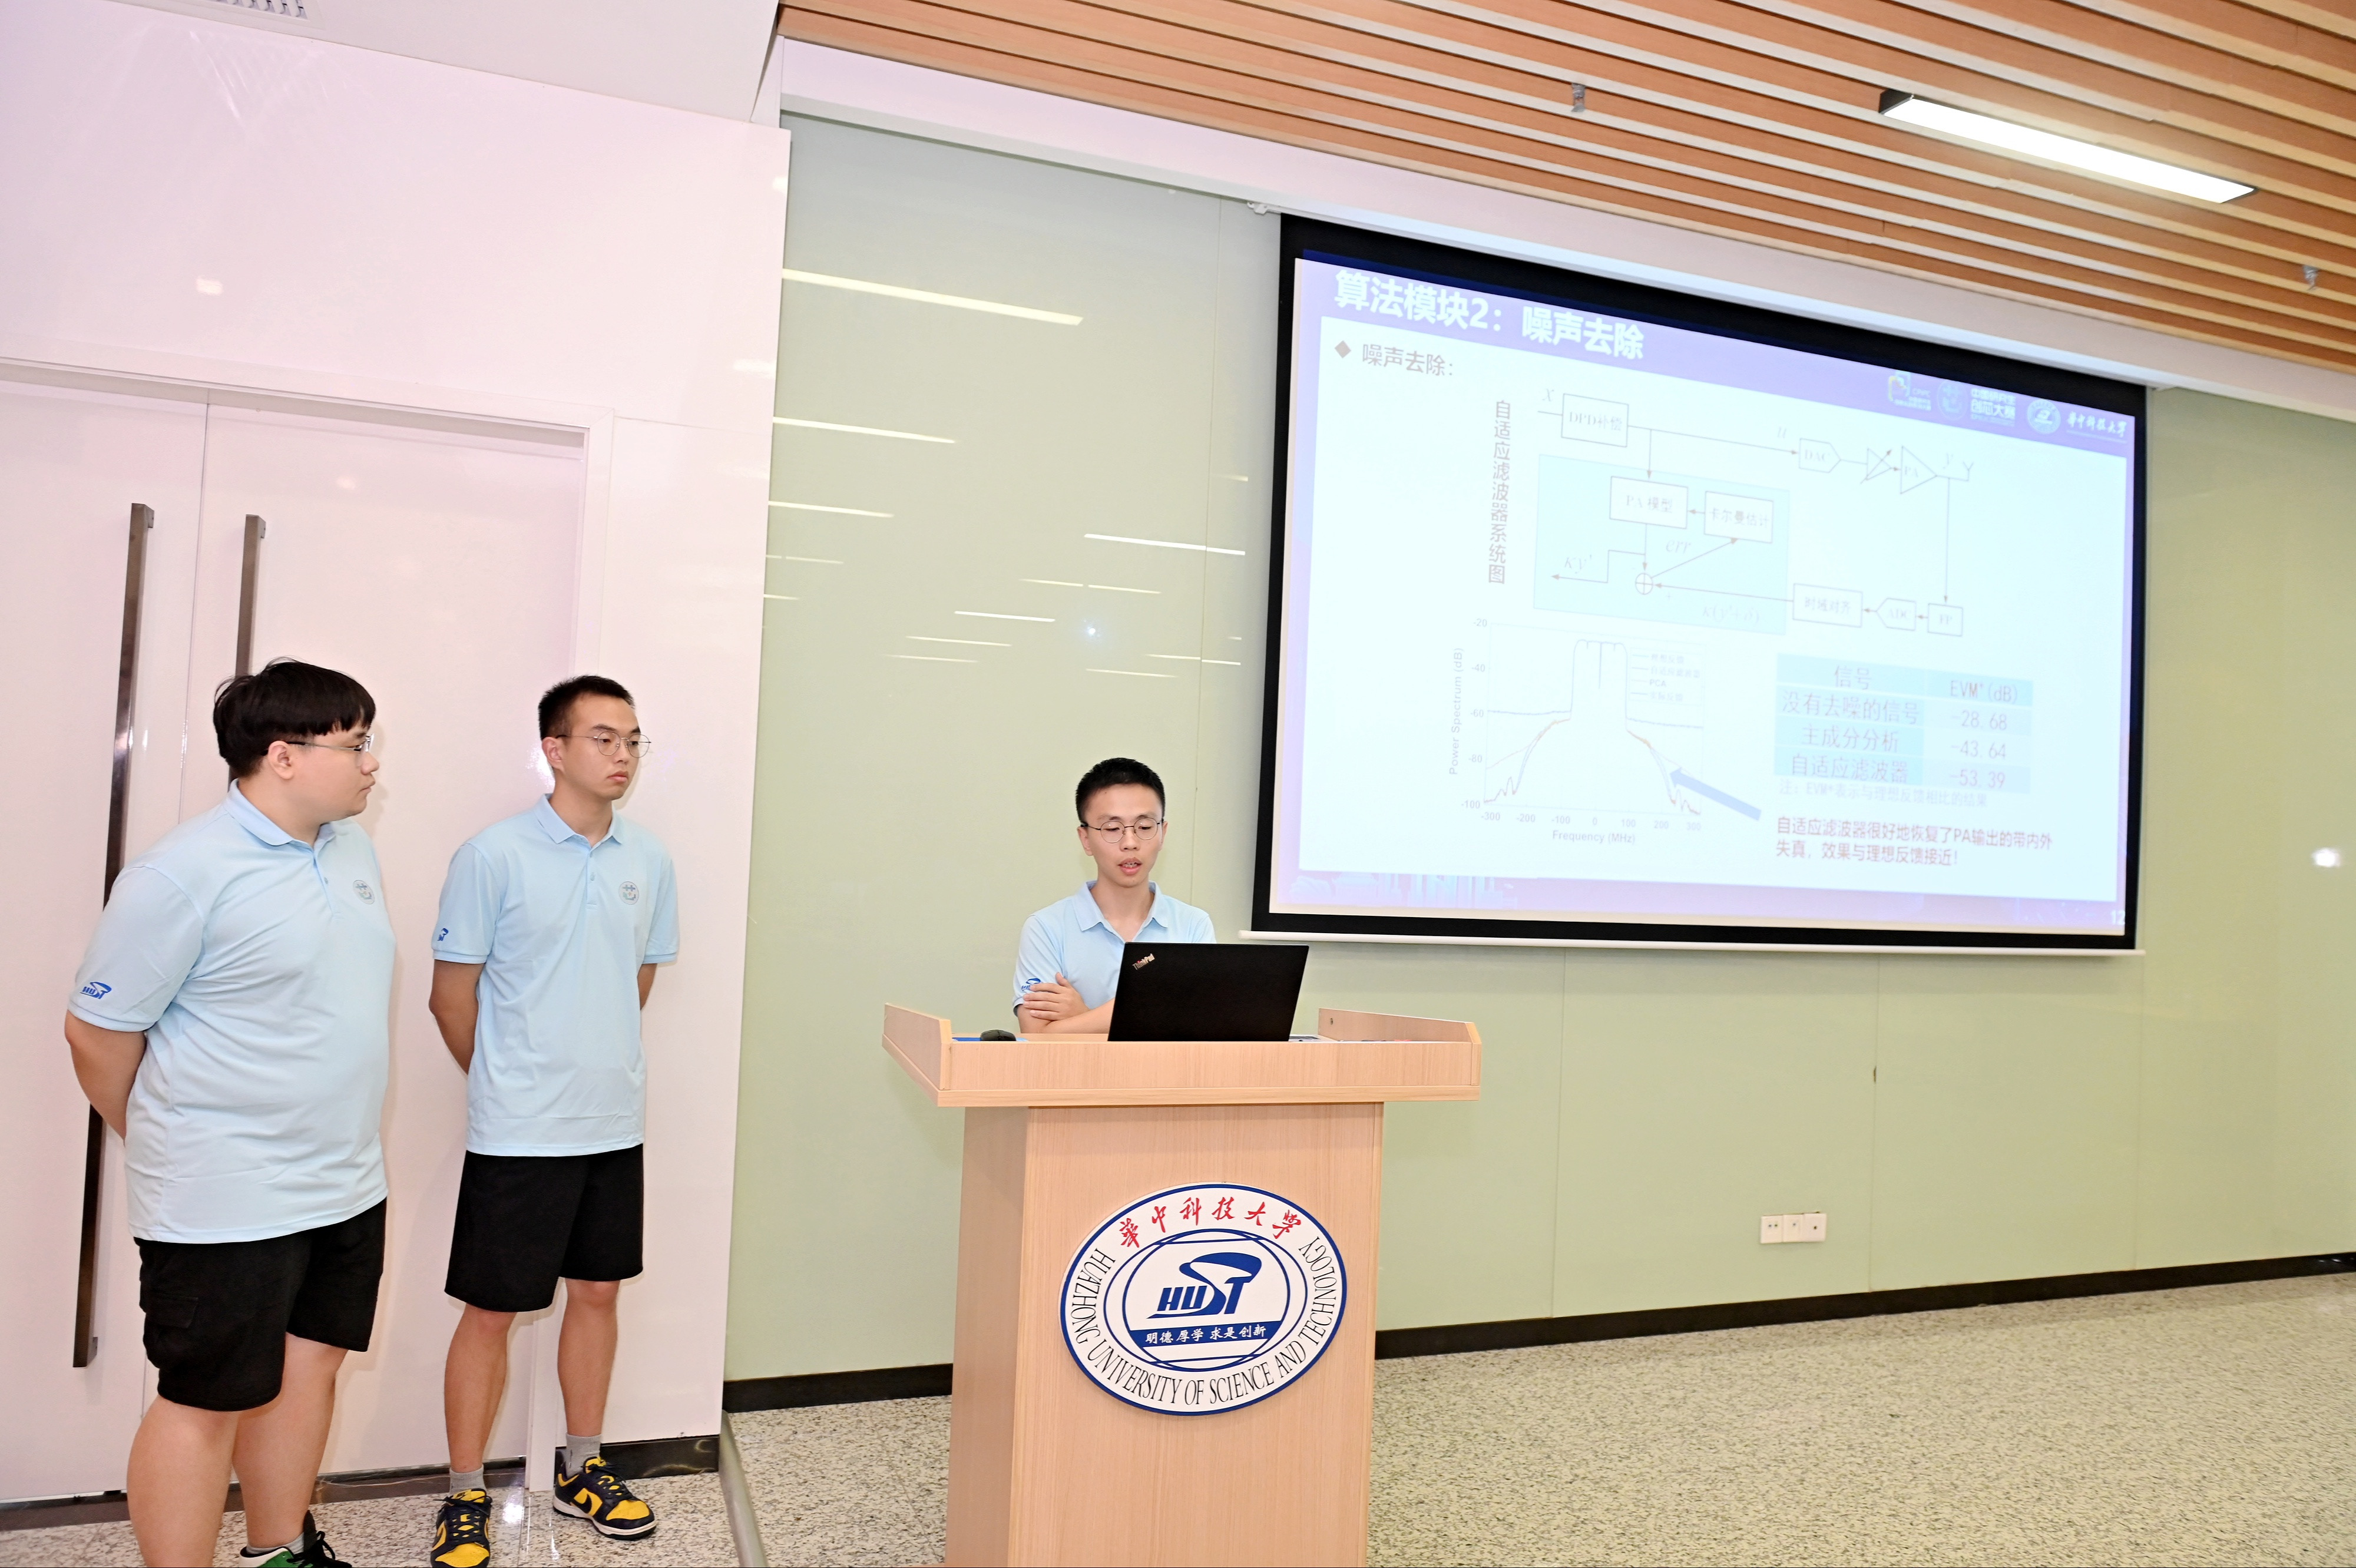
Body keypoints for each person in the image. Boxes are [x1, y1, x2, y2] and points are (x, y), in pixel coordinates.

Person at [65, 660, 393, 1568]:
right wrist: (172, 1136)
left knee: (310, 1365)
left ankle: (279, 1551)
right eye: (356, 743)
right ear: (283, 756)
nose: (371, 762)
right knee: (206, 1397)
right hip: (224, 1195)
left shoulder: (349, 848)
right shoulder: (181, 873)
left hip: (345, 1178)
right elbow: (96, 1034)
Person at [426, 676, 677, 1568]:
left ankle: (583, 1466)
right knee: (492, 1310)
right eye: (604, 737)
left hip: (612, 1120)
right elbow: (451, 997)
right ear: (555, 749)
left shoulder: (648, 858)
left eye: (634, 740)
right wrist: (508, 1078)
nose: (622, 754)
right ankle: (464, 1490)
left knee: (598, 1294)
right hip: (520, 1132)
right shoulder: (492, 855)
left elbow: (637, 979)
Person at [1013, 756, 1213, 1034]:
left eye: (1145, 827)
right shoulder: (1046, 928)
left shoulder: (1193, 926)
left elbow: (1200, 1032)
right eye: (1112, 829)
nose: (1130, 843)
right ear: (1086, 839)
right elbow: (1037, 1037)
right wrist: (1154, 1009)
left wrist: (1084, 1016)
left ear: (1162, 833)